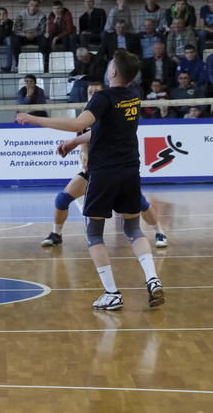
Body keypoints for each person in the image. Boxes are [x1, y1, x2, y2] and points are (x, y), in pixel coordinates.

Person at [20, 50, 164, 310]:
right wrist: (76, 142)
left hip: (104, 173)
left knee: (94, 234)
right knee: (133, 229)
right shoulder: (133, 97)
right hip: (130, 170)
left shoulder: (103, 97)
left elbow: (79, 123)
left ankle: (112, 293)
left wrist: (34, 118)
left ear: (113, 72)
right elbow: (100, 129)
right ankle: (153, 279)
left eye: (109, 65)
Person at [40, 82, 169, 249]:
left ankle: (159, 231)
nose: (92, 95)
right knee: (62, 198)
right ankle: (56, 234)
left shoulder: (111, 110)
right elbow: (83, 137)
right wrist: (84, 153)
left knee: (140, 203)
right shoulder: (87, 114)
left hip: (116, 168)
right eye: (89, 92)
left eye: (96, 92)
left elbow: (96, 133)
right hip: (95, 170)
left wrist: (35, 119)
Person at [13, 0, 48, 71]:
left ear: (38, 7)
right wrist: (25, 34)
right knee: (15, 41)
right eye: (31, 5)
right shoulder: (21, 14)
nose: (33, 7)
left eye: (36, 5)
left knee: (44, 40)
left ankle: (38, 62)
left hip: (35, 36)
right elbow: (16, 30)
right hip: (24, 36)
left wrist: (34, 34)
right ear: (28, 5)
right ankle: (18, 63)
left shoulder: (42, 16)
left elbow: (42, 30)